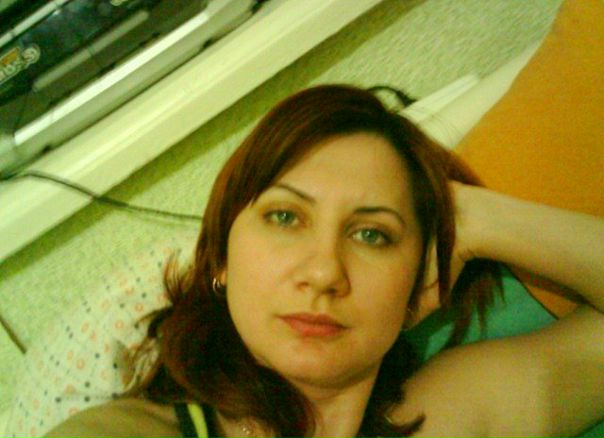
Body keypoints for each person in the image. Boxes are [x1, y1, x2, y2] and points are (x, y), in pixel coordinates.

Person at [44, 84, 604, 438]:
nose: (324, 272)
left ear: (420, 284)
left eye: (372, 234)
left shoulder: (450, 416)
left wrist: (474, 218)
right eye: (286, 217)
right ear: (221, 258)